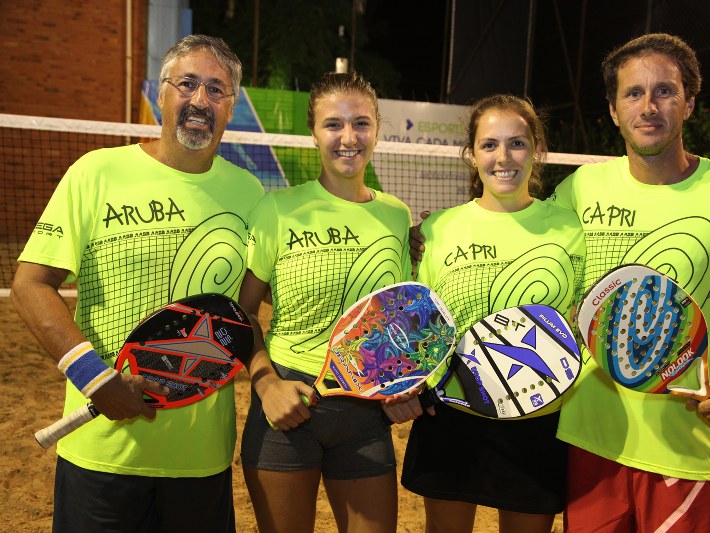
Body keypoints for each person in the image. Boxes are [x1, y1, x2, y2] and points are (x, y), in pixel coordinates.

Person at [11, 35, 264, 532]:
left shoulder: (251, 192)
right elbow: (30, 285)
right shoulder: (96, 172)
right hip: (101, 453)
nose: (200, 100)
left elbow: (270, 290)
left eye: (216, 89)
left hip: (200, 458)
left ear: (231, 107)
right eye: (187, 84)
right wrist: (96, 379)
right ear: (161, 94)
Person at [549, 33, 710, 532]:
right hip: (590, 440)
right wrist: (429, 240)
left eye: (665, 90)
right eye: (633, 93)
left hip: (689, 446)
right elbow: (528, 251)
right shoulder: (579, 188)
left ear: (689, 103)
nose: (648, 106)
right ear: (613, 111)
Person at [400, 94, 585, 533]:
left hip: (536, 418)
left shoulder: (571, 229)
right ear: (471, 154)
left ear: (538, 150)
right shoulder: (436, 230)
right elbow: (421, 323)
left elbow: (585, 320)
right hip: (451, 414)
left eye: (517, 143)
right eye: (489, 144)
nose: (503, 157)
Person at [237, 71, 413, 533]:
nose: (348, 137)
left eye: (361, 123)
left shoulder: (396, 216)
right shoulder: (277, 209)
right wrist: (266, 385)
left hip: (365, 413)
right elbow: (243, 312)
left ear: (377, 129)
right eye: (333, 124)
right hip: (287, 406)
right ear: (313, 133)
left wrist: (404, 385)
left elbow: (399, 318)